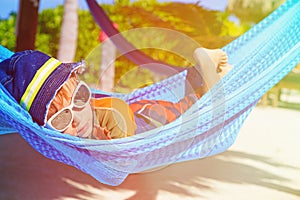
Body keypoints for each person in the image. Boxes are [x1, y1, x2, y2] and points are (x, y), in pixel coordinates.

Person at [0, 48, 232, 140]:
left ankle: (206, 70)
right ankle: (202, 72)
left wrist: (113, 144)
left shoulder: (107, 111)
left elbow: (118, 113)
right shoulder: (77, 131)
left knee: (193, 109)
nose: (78, 118)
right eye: (61, 119)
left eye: (80, 98)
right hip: (140, 110)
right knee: (188, 101)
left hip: (148, 117)